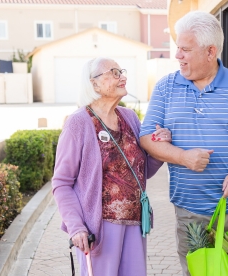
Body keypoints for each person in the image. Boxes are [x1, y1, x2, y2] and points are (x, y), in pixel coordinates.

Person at [139, 11, 228, 276]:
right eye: (177, 48)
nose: (177, 56)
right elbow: (147, 137)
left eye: (185, 49)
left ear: (210, 51)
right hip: (190, 212)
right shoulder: (165, 88)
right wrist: (182, 156)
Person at [51, 57, 171, 276]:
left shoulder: (130, 118)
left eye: (121, 72)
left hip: (135, 224)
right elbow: (62, 183)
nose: (122, 77)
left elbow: (141, 172)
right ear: (94, 83)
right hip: (100, 228)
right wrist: (76, 227)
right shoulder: (78, 122)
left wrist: (159, 148)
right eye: (114, 73)